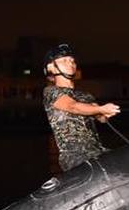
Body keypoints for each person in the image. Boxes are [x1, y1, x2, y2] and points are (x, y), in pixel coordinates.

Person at [42, 43, 121, 171]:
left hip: (98, 151)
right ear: (51, 67)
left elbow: (100, 117)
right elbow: (72, 106)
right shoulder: (50, 92)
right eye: (64, 60)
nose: (71, 63)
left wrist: (105, 114)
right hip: (75, 156)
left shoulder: (85, 95)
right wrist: (100, 109)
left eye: (72, 60)